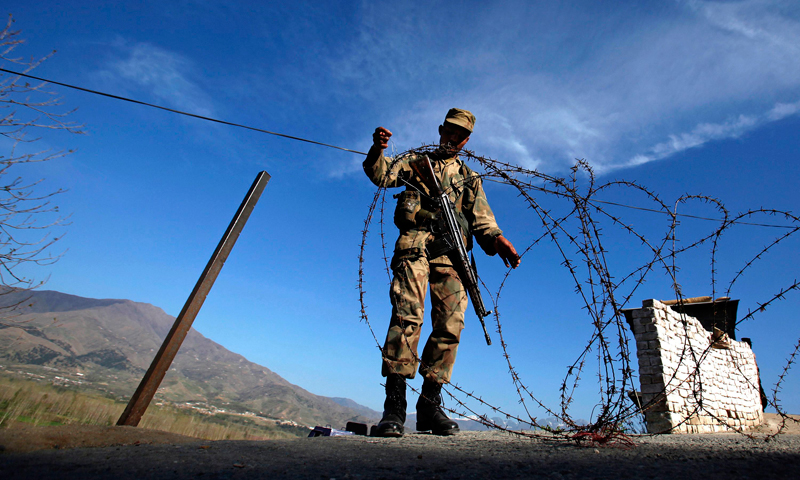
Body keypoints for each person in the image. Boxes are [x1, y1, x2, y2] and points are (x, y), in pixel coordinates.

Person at [363, 108, 521, 437]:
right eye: (449, 131)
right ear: (440, 130)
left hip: (451, 255)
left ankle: (430, 406)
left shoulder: (469, 178)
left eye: (460, 135)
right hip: (416, 245)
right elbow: (381, 175)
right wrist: (378, 149)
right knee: (408, 315)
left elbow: (483, 221)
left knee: (451, 324)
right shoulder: (414, 163)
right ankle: (394, 406)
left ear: (467, 140)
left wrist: (498, 240)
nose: (453, 138)